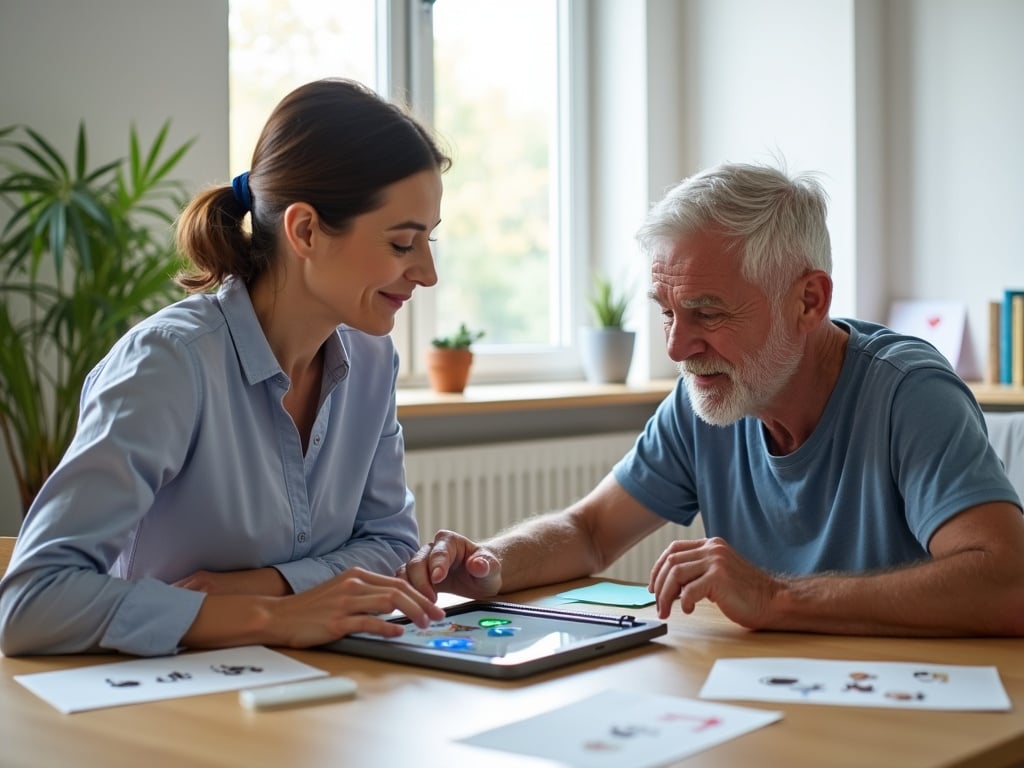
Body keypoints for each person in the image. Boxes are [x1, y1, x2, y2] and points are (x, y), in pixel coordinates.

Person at [401, 161, 1024, 637]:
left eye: (707, 311)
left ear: (809, 301)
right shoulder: (709, 394)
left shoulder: (909, 393)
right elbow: (590, 532)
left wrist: (777, 597)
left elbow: (1010, 582)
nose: (676, 347)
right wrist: (488, 563)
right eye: (667, 311)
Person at [0, 78, 450, 656]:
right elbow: (31, 602)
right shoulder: (169, 363)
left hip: (303, 698)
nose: (428, 273)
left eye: (429, 241)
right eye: (402, 243)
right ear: (306, 230)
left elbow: (389, 544)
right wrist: (270, 616)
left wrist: (261, 586)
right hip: (155, 712)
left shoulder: (369, 360)